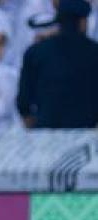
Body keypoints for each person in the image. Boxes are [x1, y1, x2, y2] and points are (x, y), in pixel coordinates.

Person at [17, 0, 98, 128]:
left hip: (46, 133)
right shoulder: (95, 53)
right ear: (83, 22)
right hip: (86, 132)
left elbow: (23, 102)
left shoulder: (35, 52)